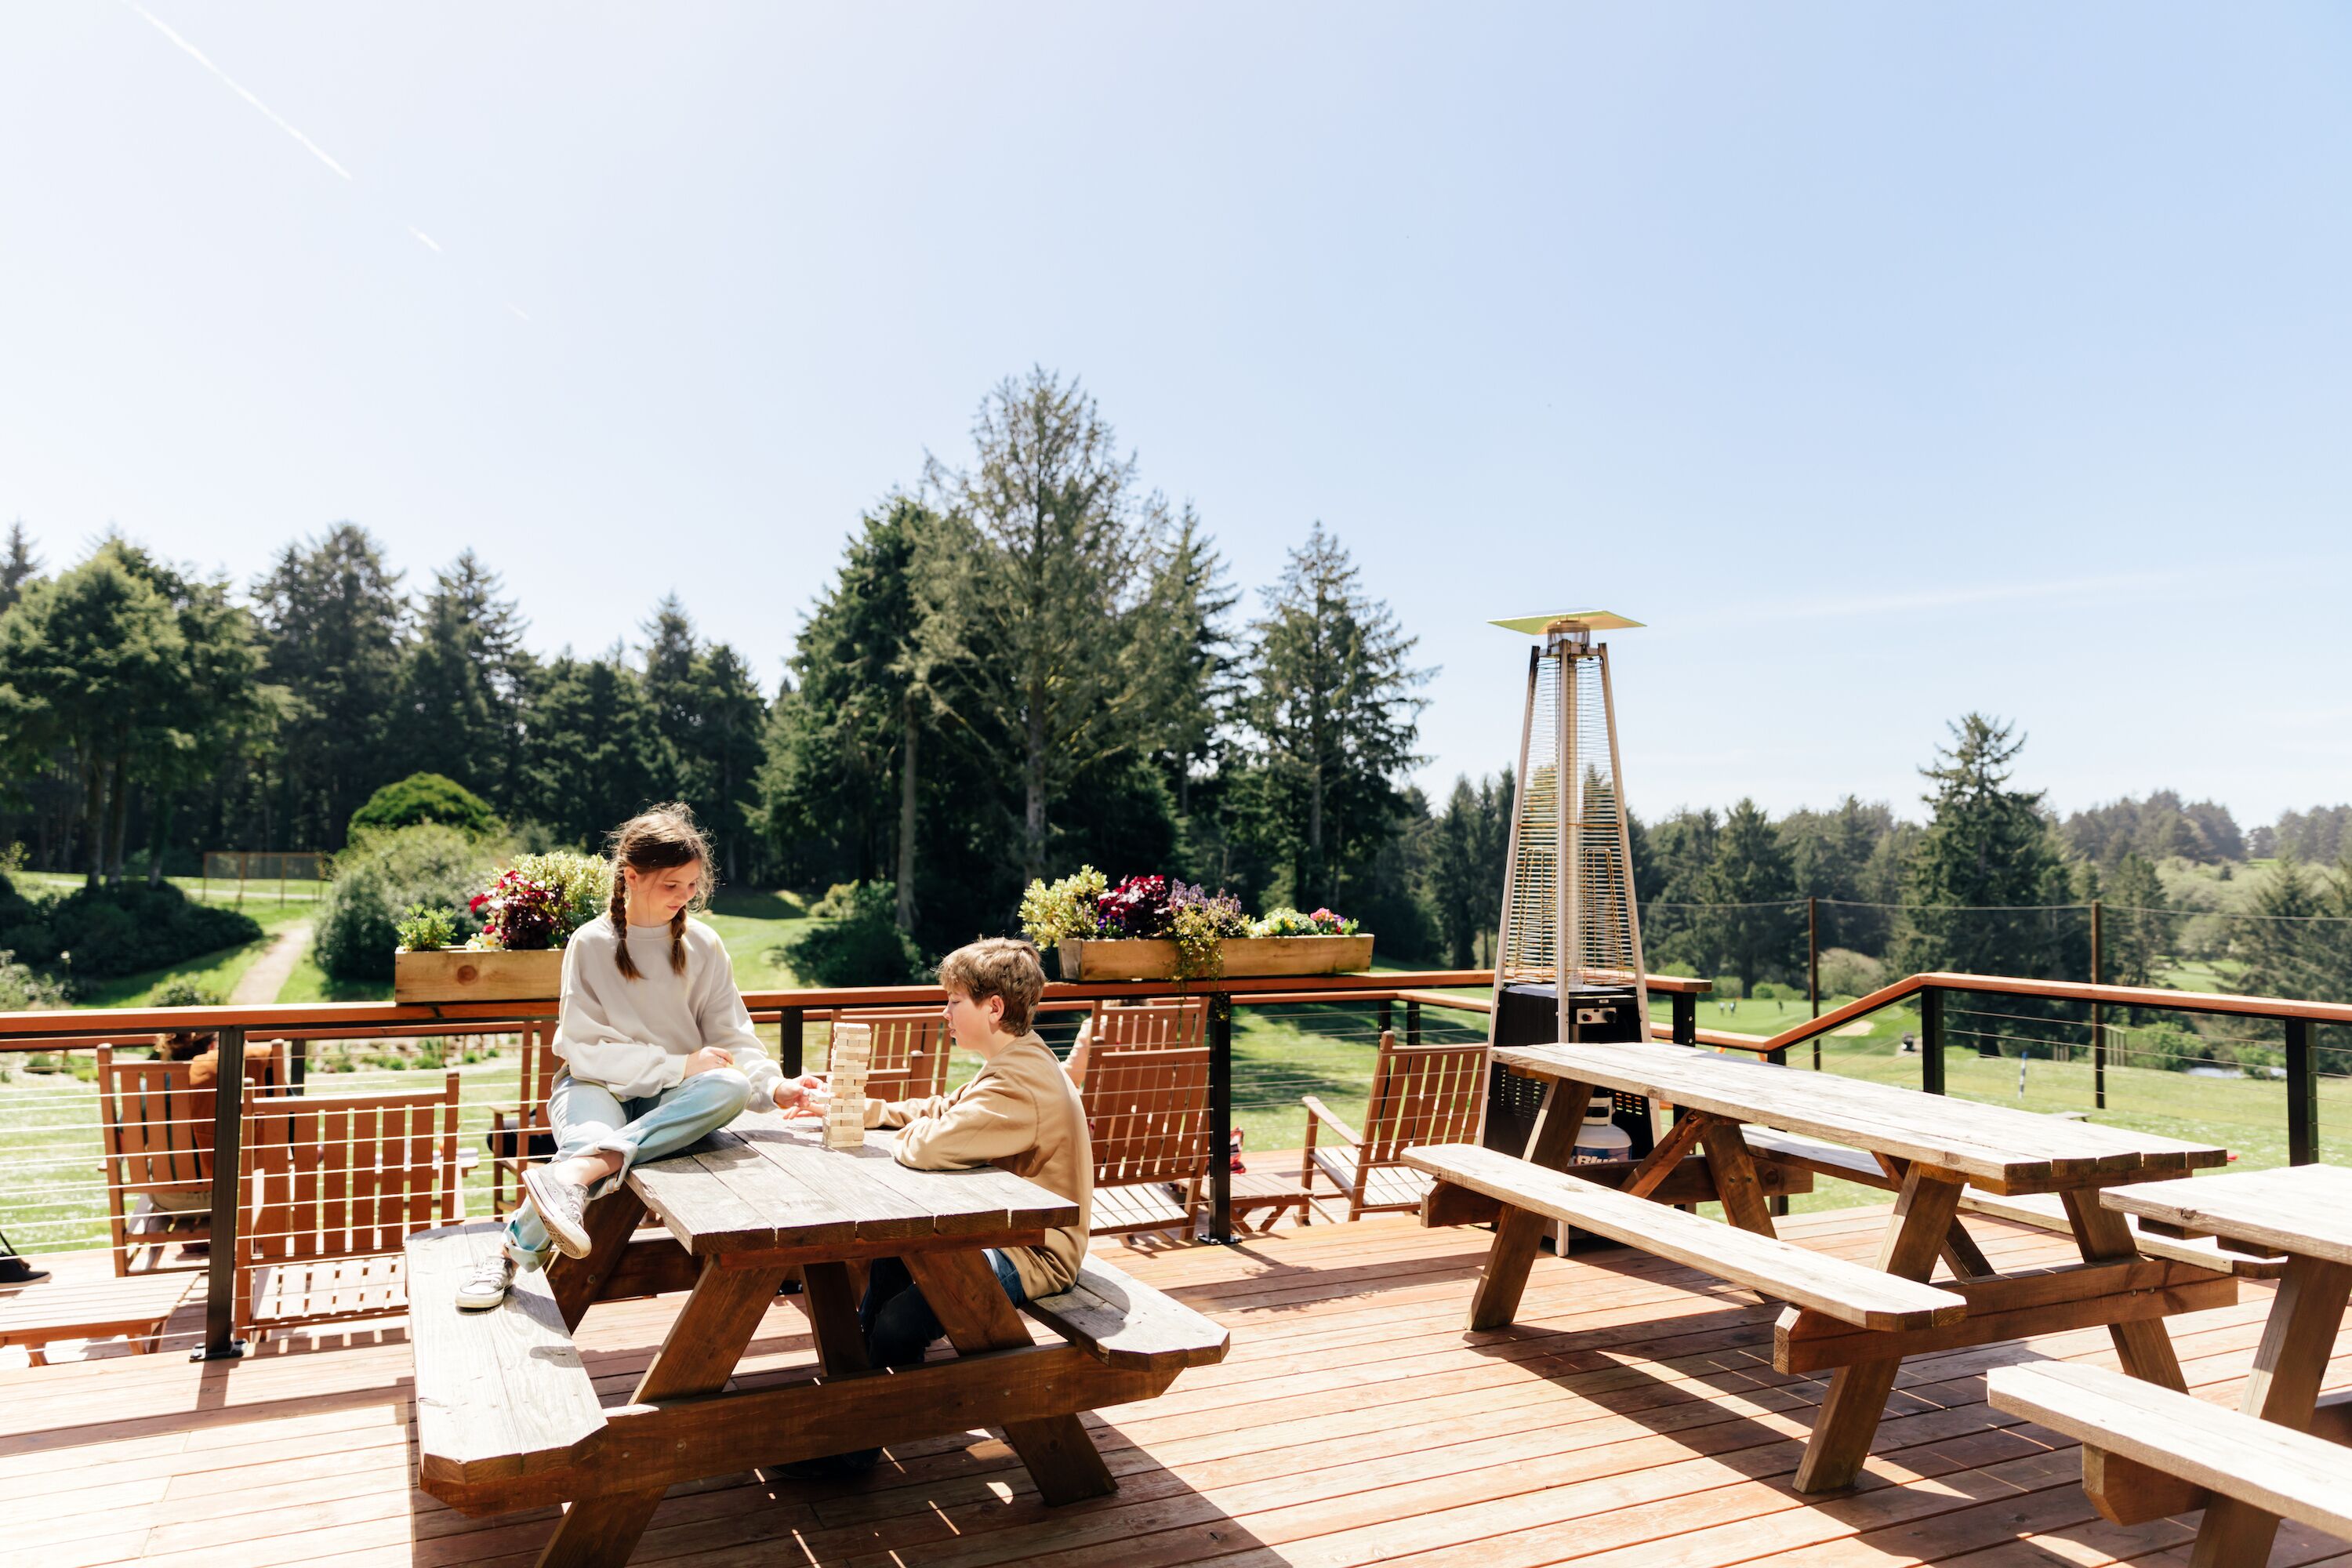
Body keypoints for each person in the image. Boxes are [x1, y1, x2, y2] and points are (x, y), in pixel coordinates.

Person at [455, 804, 819, 1311]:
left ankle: (578, 1175)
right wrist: (677, 1065)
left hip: (671, 1099)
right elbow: (585, 1051)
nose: (685, 896)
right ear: (631, 877)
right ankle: (507, 1256)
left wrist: (776, 1087)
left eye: (692, 885)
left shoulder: (705, 946)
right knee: (586, 1139)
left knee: (731, 1087)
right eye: (672, 884)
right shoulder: (590, 944)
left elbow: (732, 1041)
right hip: (594, 1087)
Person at [782, 937, 1092, 1479]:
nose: (943, 1011)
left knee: (899, 1323)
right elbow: (942, 1111)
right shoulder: (1015, 1059)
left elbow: (928, 1144)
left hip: (1034, 1252)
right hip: (999, 1232)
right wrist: (856, 1107)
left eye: (953, 1001)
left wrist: (914, 1134)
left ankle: (865, 1438)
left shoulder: (1020, 1082)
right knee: (888, 1265)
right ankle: (857, 1431)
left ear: (993, 1008)